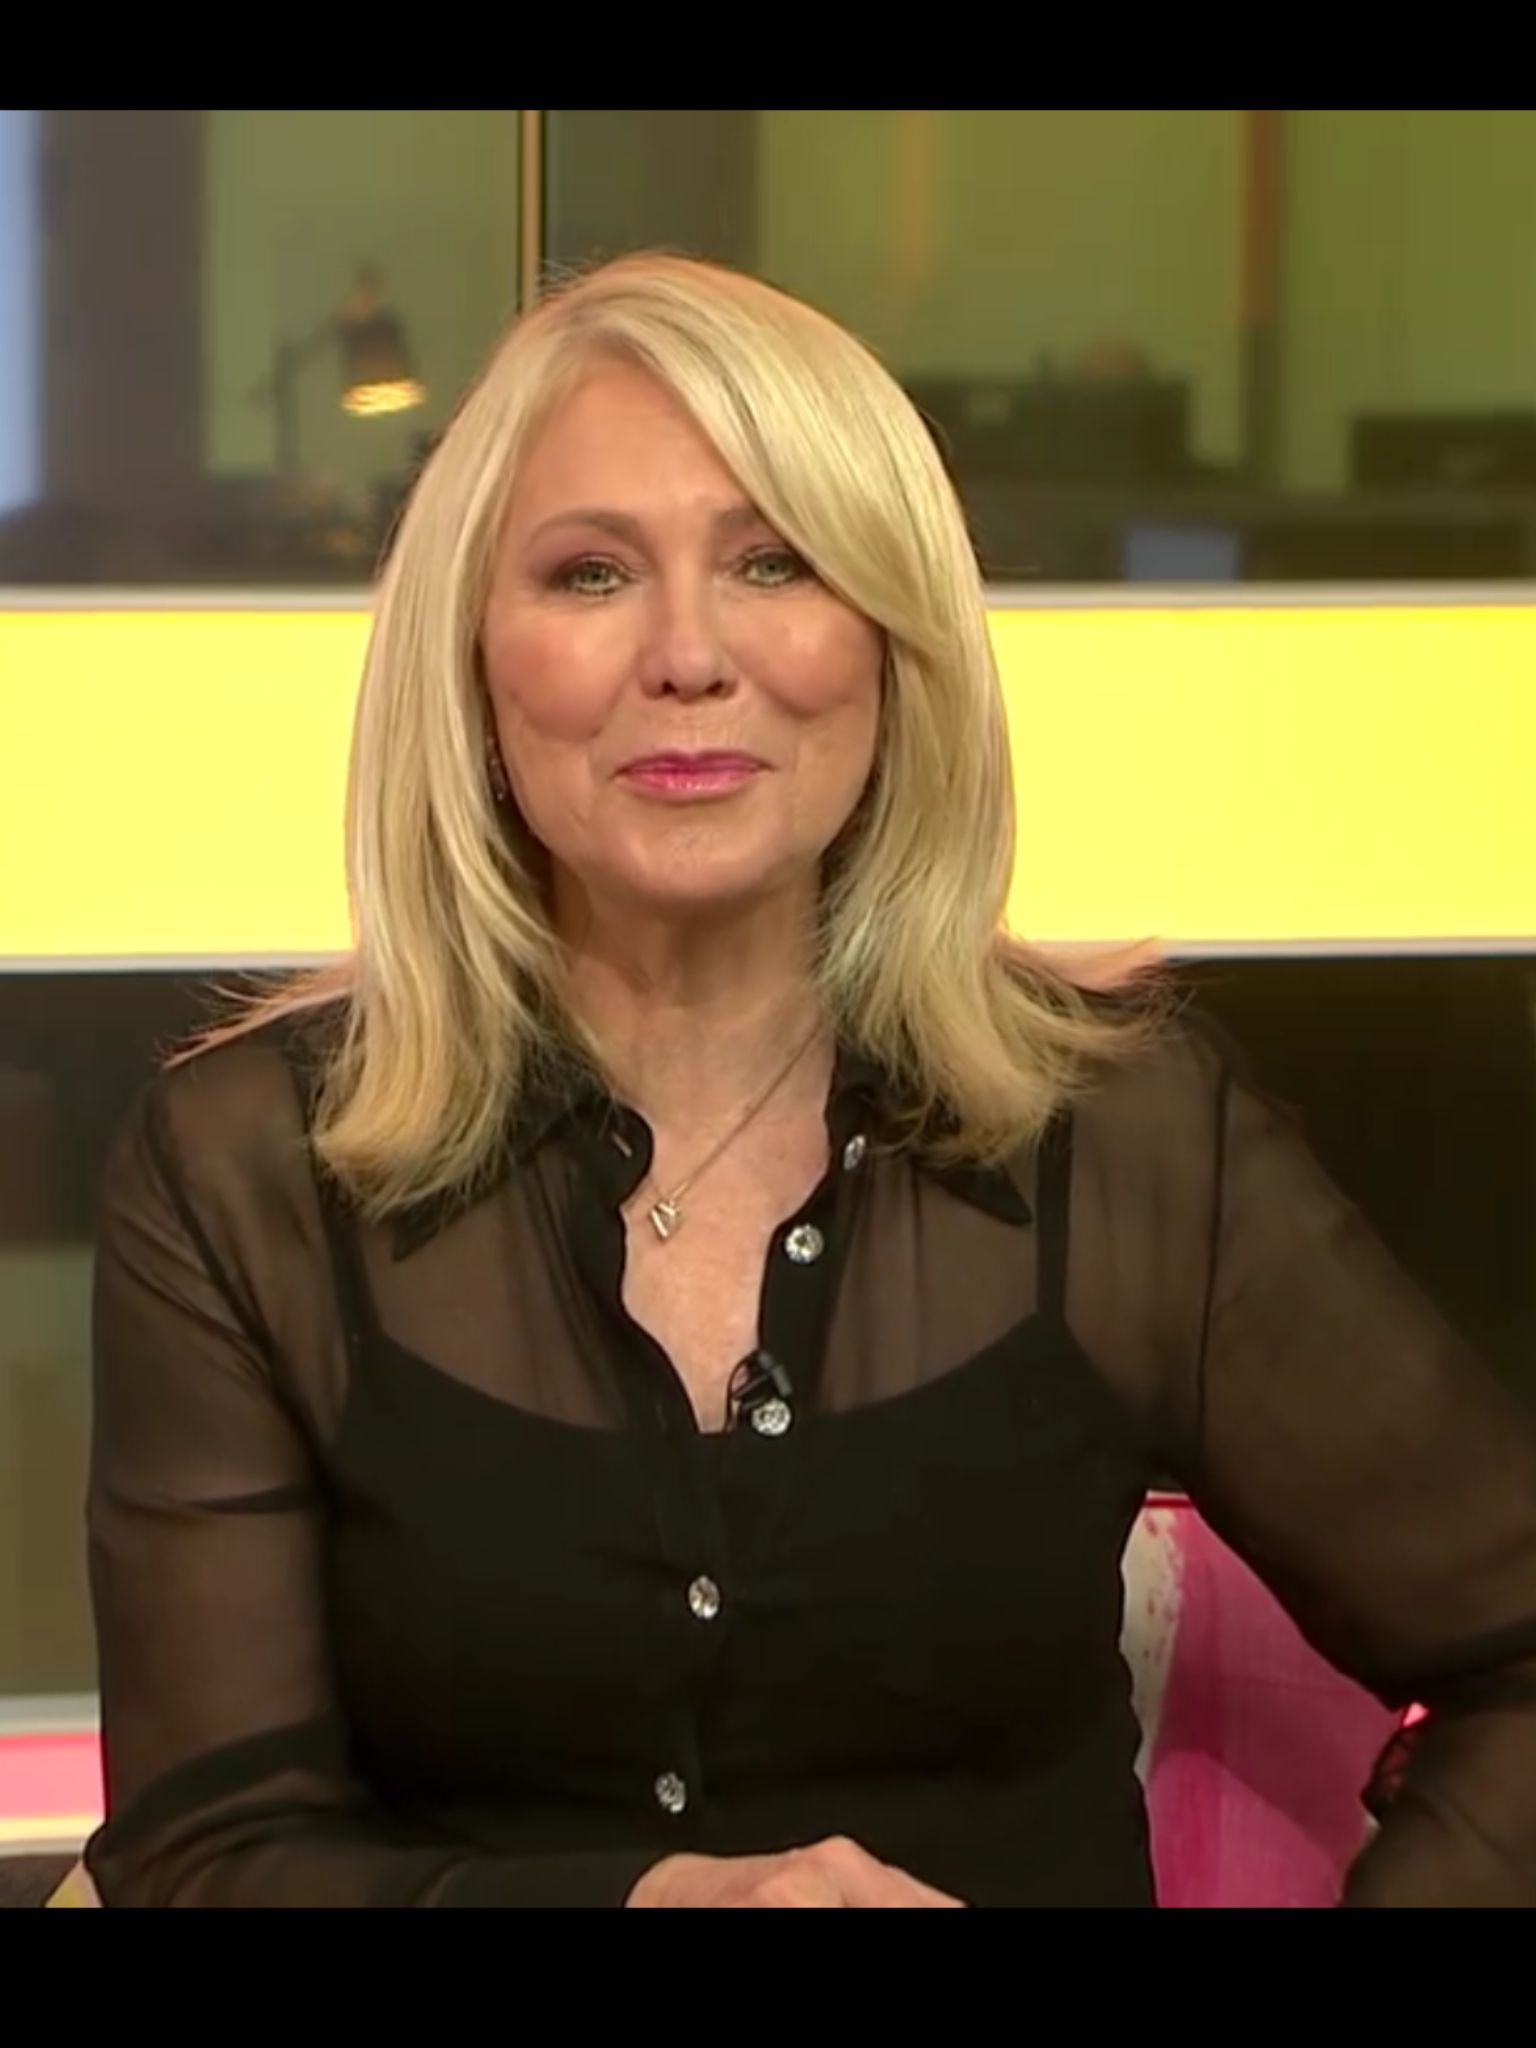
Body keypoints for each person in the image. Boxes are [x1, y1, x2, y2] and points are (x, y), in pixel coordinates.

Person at [86, 253, 1536, 1909]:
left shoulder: (1127, 1132)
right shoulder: (245, 1171)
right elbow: (208, 1858)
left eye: (775, 560)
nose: (688, 655)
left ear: (892, 640)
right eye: (589, 574)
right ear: (471, 661)